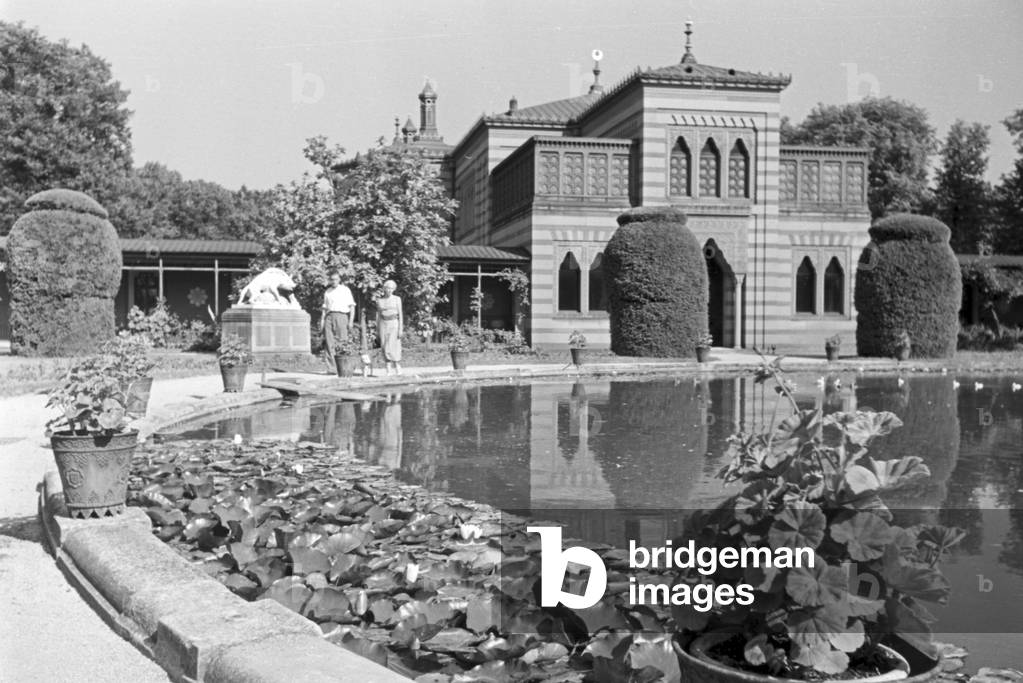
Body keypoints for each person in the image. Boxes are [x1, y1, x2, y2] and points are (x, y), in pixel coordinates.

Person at [321, 272, 355, 366]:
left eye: (336, 279)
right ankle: (332, 367)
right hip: (329, 316)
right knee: (329, 342)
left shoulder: (345, 290)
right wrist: (322, 322)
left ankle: (343, 366)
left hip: (341, 316)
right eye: (332, 279)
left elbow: (352, 306)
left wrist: (351, 321)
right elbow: (325, 308)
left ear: (339, 280)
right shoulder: (327, 291)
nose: (334, 281)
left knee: (342, 341)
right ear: (329, 280)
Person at [375, 279, 403, 375]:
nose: (389, 290)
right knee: (384, 345)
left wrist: (400, 329)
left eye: (391, 288)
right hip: (383, 323)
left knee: (394, 345)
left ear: (394, 289)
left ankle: (397, 366)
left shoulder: (397, 299)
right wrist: (378, 329)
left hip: (394, 323)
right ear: (384, 289)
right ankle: (388, 367)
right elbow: (378, 315)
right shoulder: (380, 300)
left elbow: (400, 314)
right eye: (387, 288)